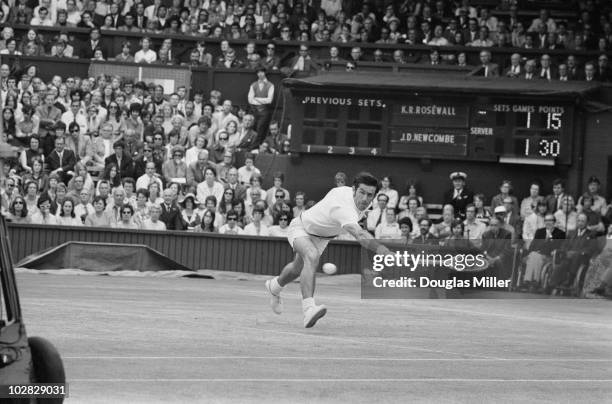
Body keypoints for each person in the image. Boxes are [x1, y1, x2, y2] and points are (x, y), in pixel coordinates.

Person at [265, 172, 392, 328]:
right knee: (311, 256)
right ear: (353, 190)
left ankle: (274, 286)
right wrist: (383, 250)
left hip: (323, 238)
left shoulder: (358, 200)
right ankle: (309, 309)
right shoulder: (343, 207)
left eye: (370, 195)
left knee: (296, 269)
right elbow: (359, 234)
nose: (365, 199)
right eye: (362, 193)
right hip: (301, 227)